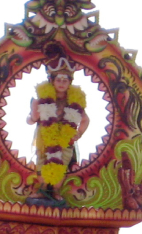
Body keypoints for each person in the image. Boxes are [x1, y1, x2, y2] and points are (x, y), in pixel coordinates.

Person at [27, 56, 89, 202]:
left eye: (65, 80)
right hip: (44, 137)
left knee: (62, 164)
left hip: (65, 139)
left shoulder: (74, 101)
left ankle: (56, 192)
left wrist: (79, 133)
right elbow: (31, 120)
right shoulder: (41, 99)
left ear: (69, 83)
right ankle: (41, 191)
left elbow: (85, 120)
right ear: (52, 81)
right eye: (58, 80)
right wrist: (33, 113)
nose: (61, 83)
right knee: (42, 162)